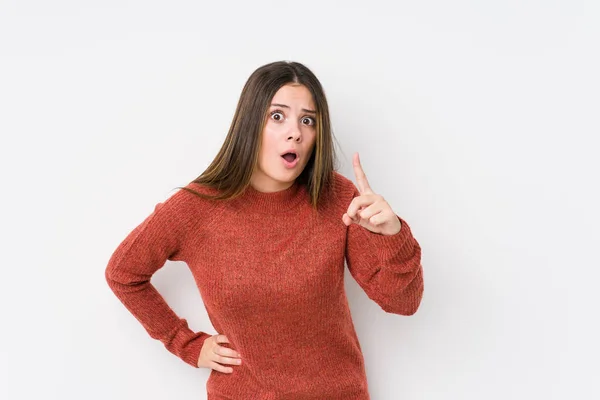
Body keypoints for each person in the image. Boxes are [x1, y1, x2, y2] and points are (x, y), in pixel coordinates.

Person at [105, 60, 424, 399]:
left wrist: (392, 236)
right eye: (277, 116)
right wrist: (185, 344)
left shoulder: (338, 197)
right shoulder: (195, 208)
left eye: (307, 120)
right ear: (250, 123)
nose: (296, 132)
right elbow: (123, 273)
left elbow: (403, 303)